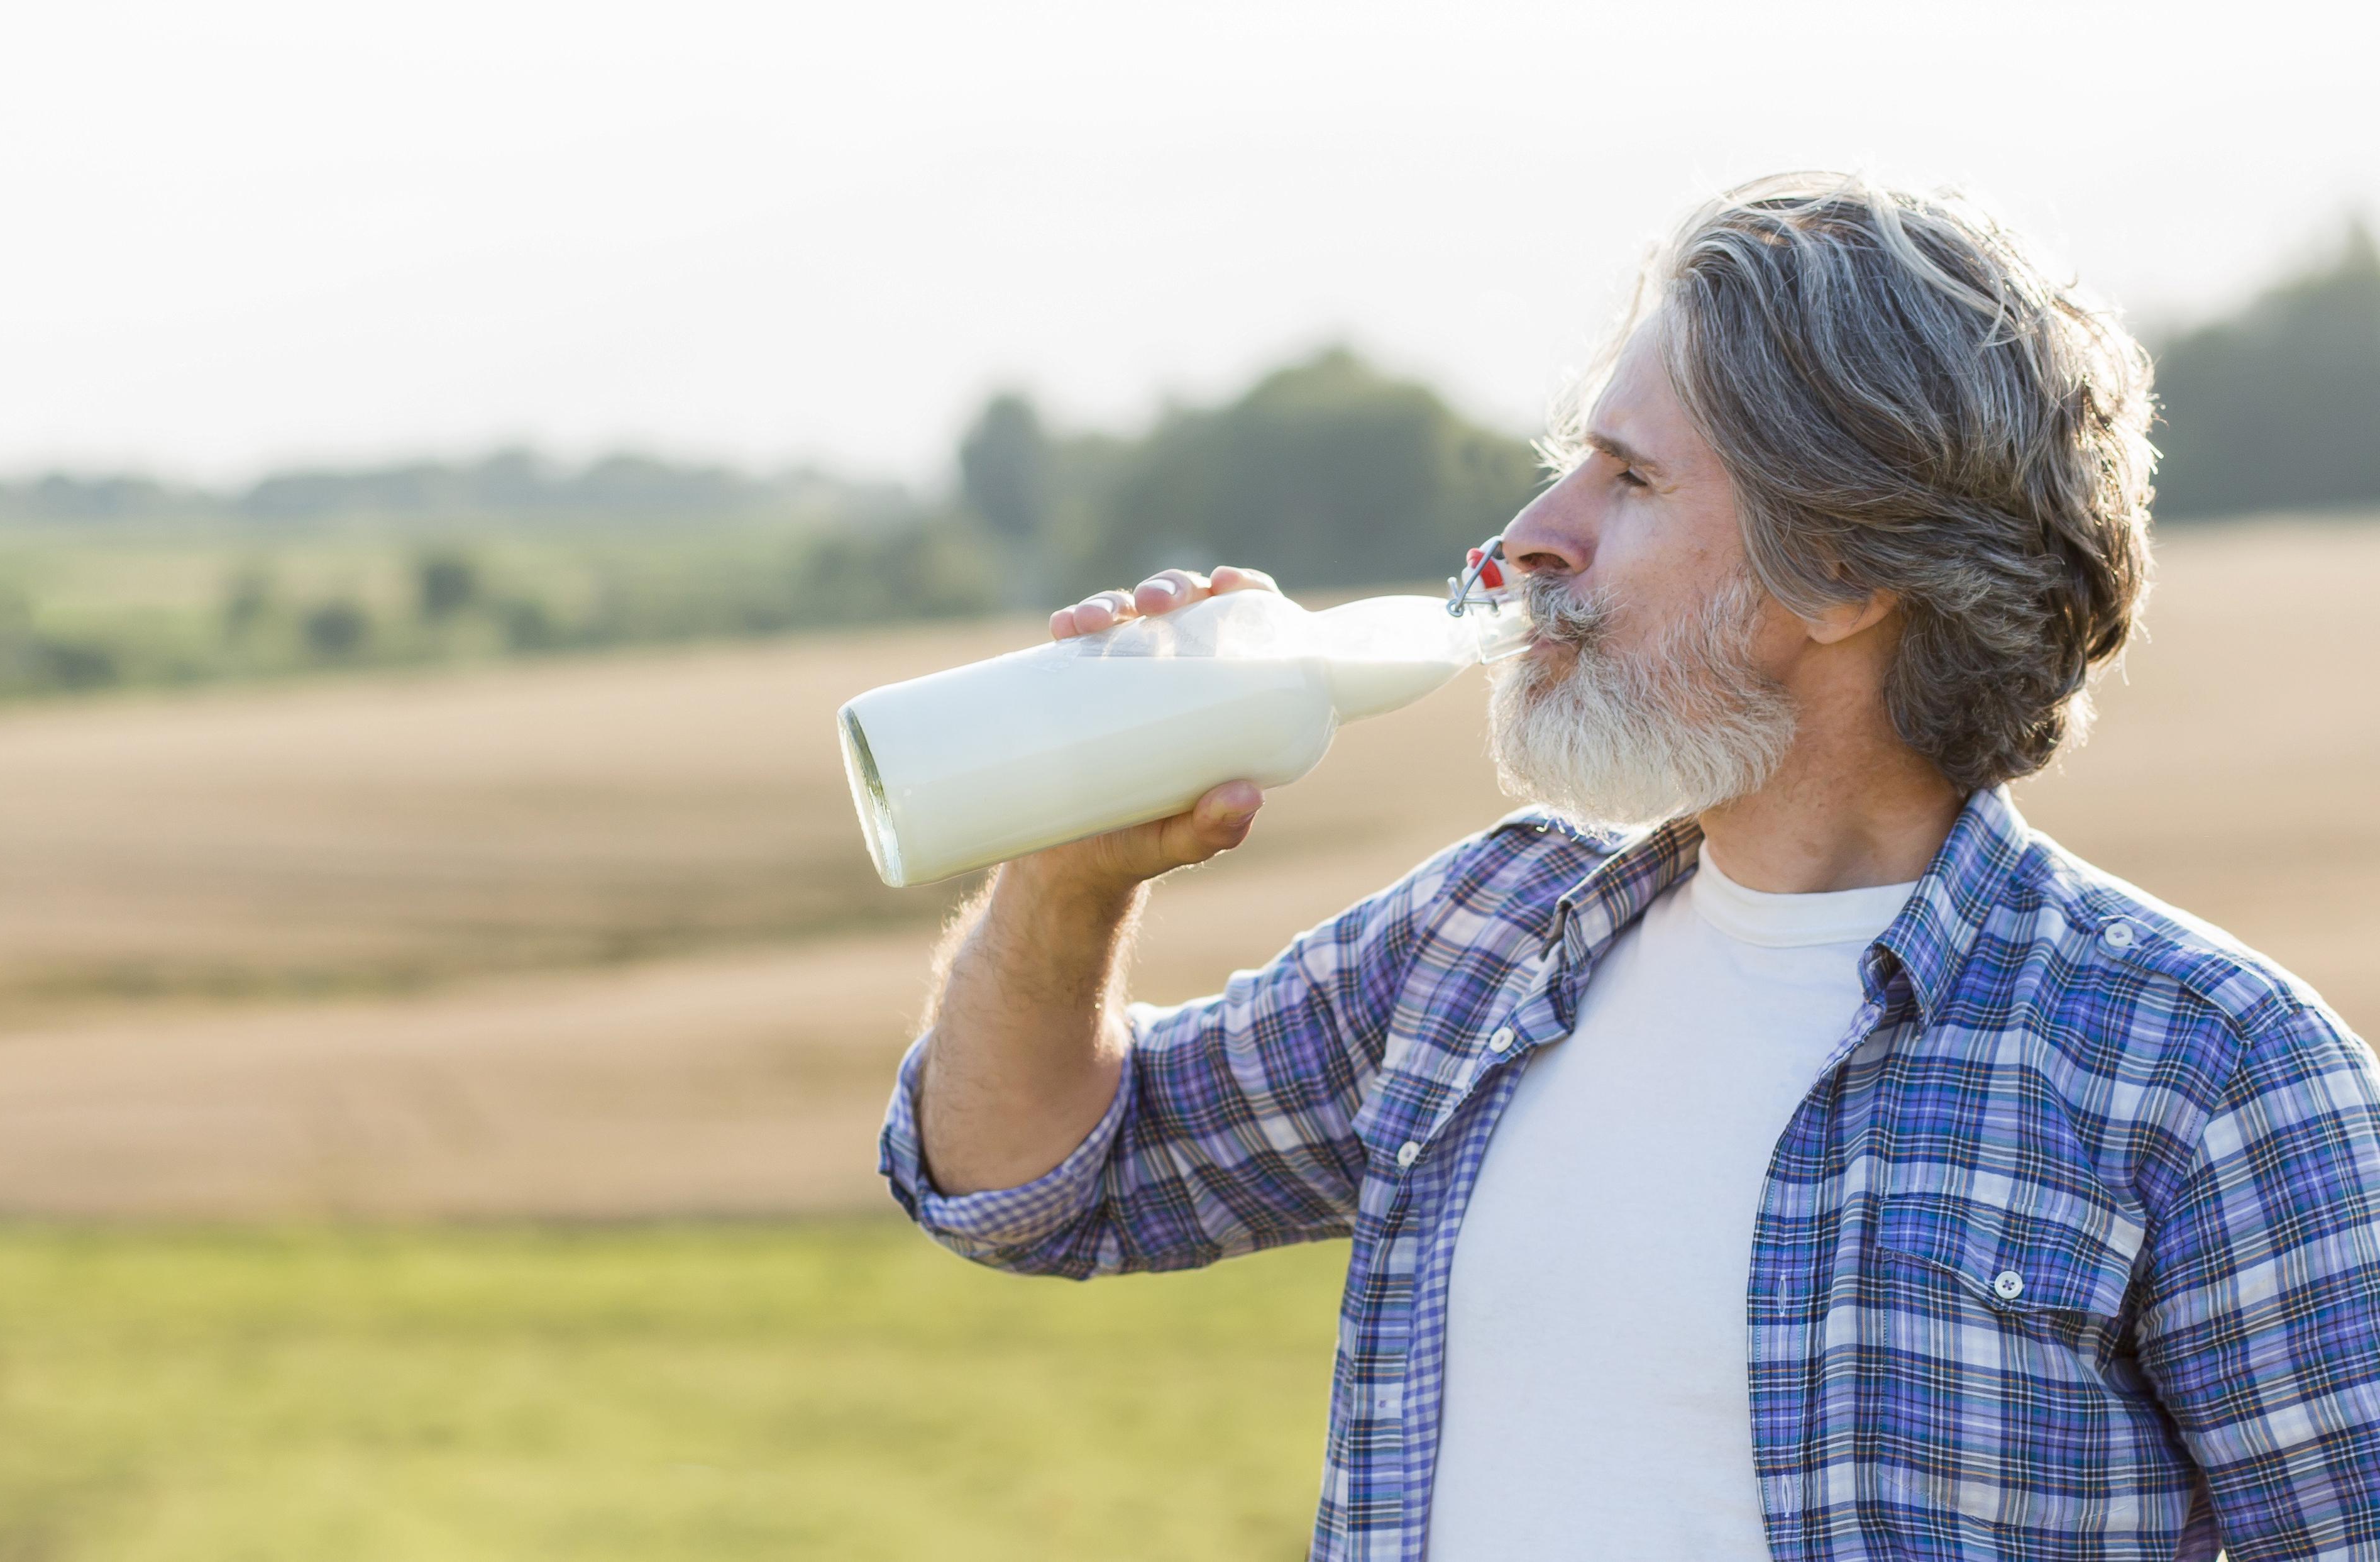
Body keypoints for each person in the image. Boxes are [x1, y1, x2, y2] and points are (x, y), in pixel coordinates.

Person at [875, 171, 2380, 1560]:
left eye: (1628, 480)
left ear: (1844, 566)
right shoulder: (1483, 940)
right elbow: (1030, 1182)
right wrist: (1073, 875)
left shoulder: (2210, 1074)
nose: (1532, 536)